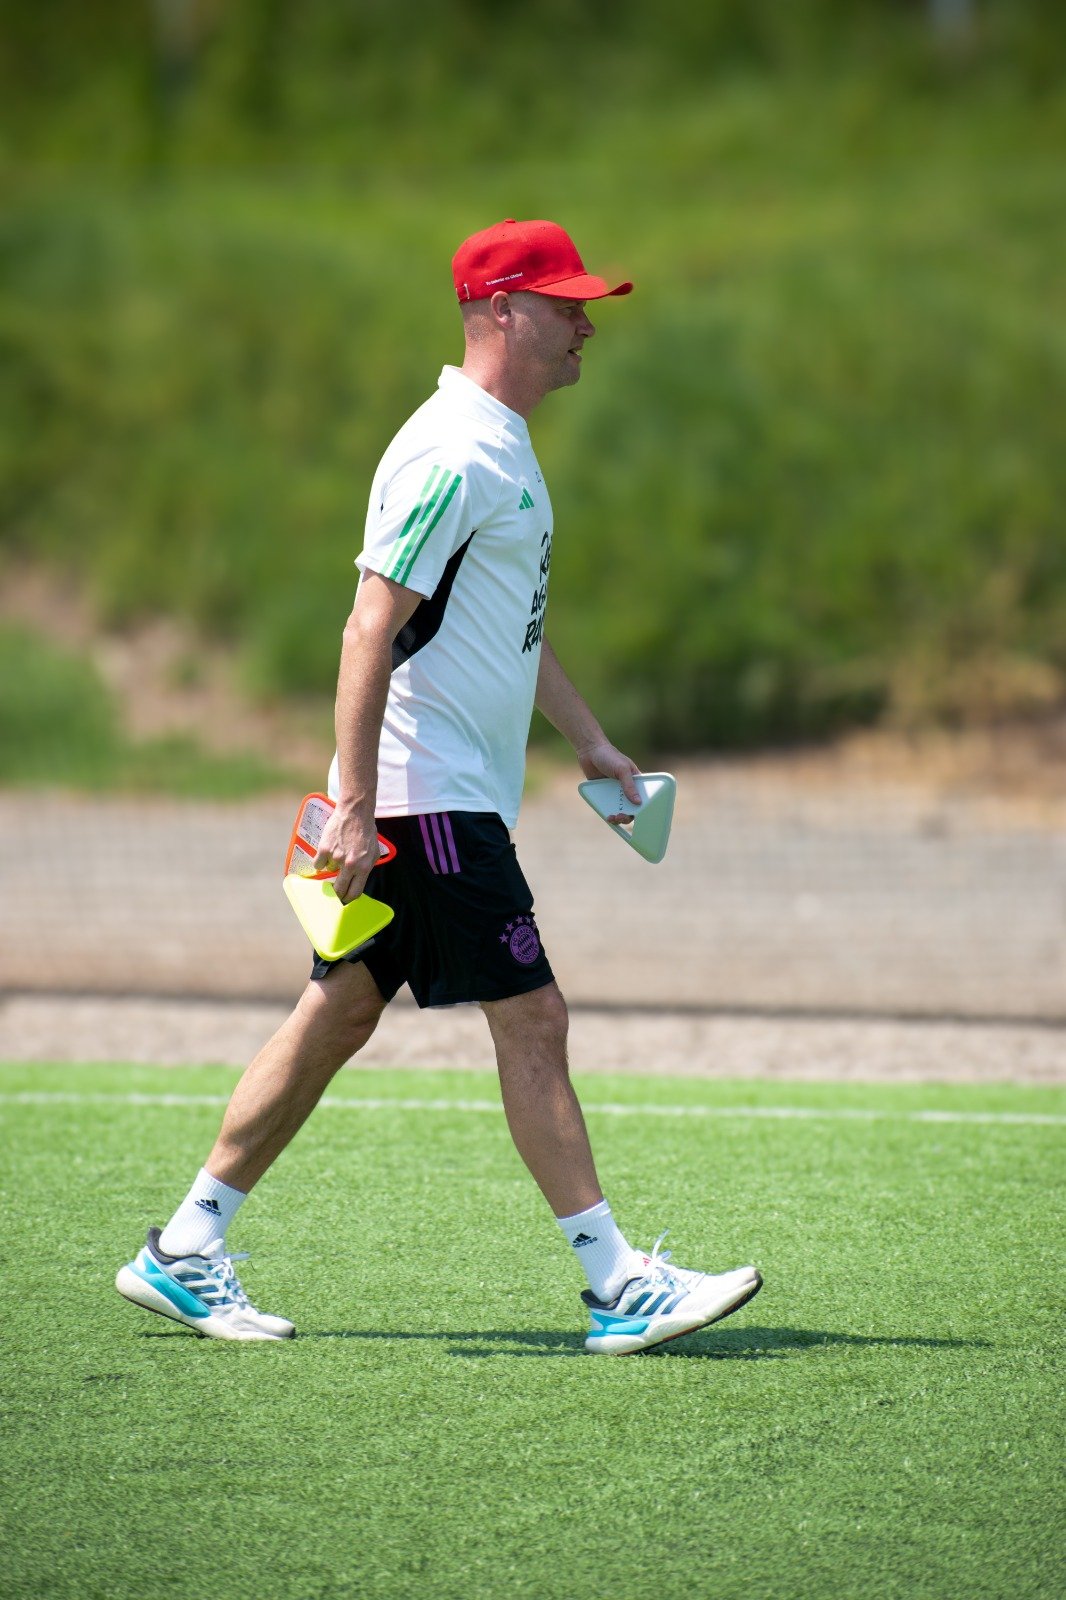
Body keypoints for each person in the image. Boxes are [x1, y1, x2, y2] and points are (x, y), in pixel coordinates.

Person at [115, 218, 762, 1352]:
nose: (586, 324)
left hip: (421, 799)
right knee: (534, 1017)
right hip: (425, 805)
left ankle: (182, 1246)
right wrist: (359, 805)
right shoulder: (453, 451)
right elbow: (371, 623)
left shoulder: (501, 446)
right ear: (501, 312)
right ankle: (616, 1283)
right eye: (566, 305)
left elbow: (507, 626)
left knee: (339, 1012)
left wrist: (590, 741)